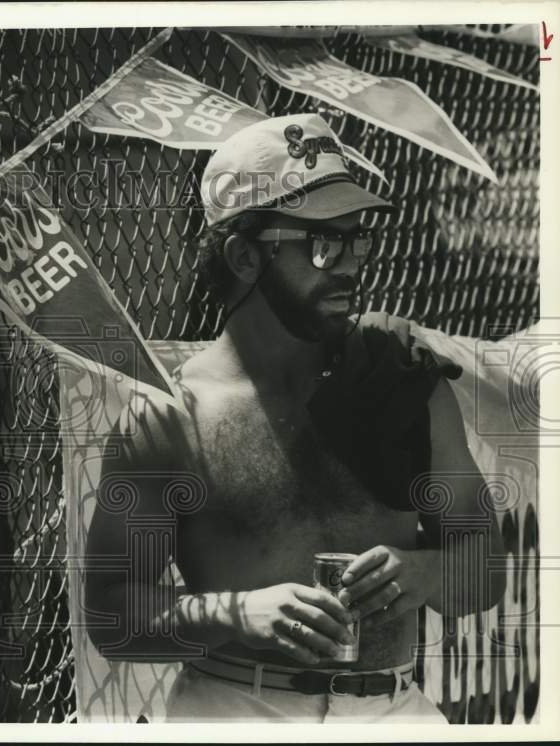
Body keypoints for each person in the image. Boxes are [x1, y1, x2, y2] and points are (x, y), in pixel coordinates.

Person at [84, 113, 506, 723]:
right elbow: (110, 617)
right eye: (321, 244)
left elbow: (485, 570)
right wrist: (236, 614)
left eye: (355, 240)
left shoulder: (400, 381)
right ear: (244, 256)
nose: (350, 266)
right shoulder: (172, 418)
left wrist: (426, 572)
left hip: (394, 710)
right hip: (231, 708)